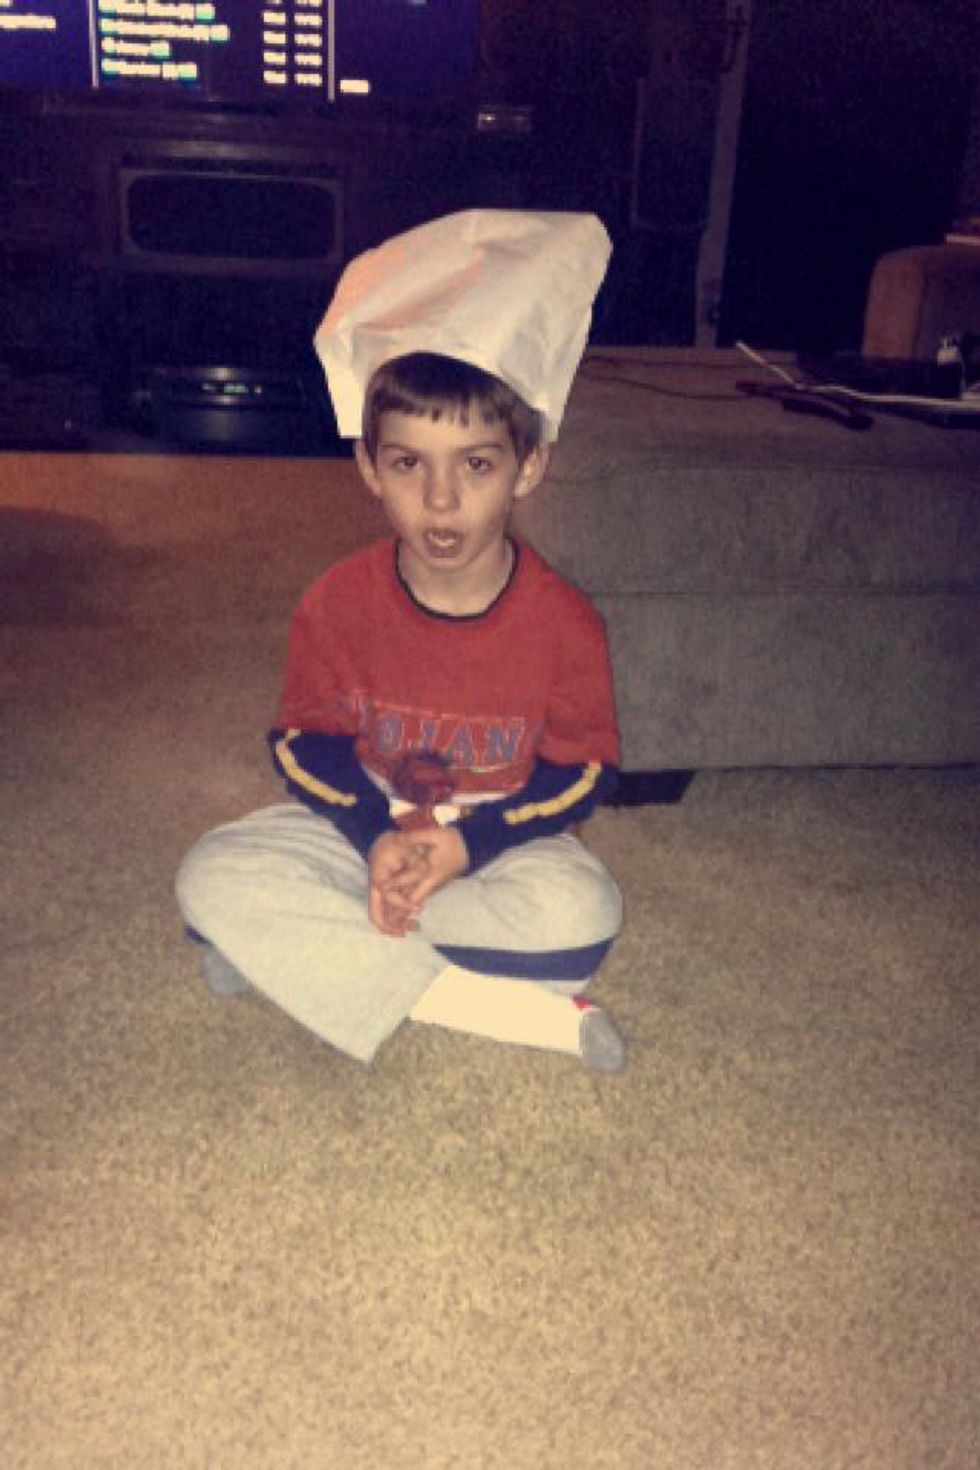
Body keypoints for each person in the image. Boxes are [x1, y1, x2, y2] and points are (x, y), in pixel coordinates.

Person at [176, 210, 626, 1070]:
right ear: (370, 468)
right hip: (364, 829)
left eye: (477, 464)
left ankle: (299, 956)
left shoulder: (565, 621)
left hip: (495, 841)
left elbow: (581, 774)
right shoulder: (337, 601)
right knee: (209, 874)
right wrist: (373, 835)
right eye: (410, 463)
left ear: (529, 467)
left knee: (584, 917)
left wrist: (465, 847)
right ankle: (508, 1011)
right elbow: (304, 742)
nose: (442, 500)